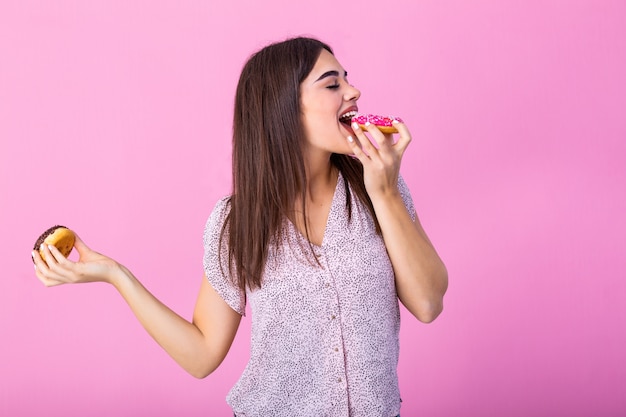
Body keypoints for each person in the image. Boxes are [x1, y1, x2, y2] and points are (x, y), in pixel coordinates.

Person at [32, 36, 448, 417]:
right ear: (285, 108)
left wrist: (386, 193)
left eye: (347, 79)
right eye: (331, 84)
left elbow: (428, 304)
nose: (353, 92)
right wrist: (114, 274)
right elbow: (202, 355)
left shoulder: (381, 189)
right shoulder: (237, 222)